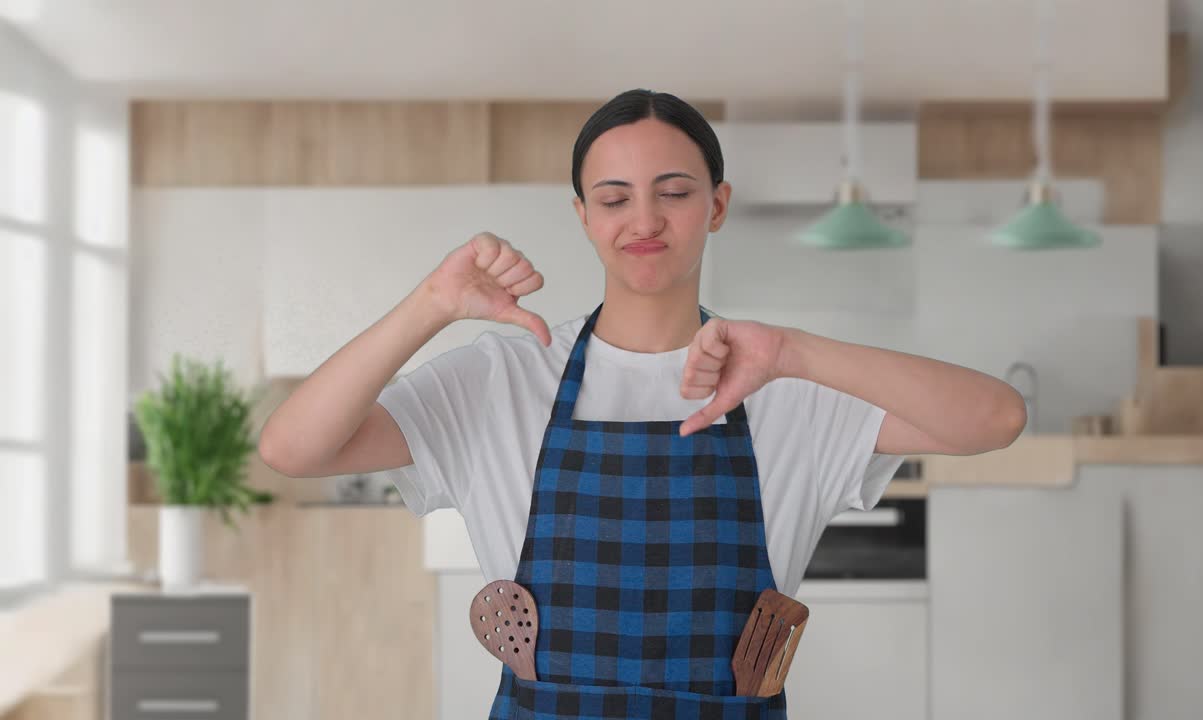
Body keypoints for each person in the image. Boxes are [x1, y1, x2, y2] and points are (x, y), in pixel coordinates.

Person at [260, 88, 1026, 719]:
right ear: (583, 216)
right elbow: (293, 449)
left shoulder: (782, 386)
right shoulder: (503, 377)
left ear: (717, 206)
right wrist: (431, 304)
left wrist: (794, 352)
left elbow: (997, 419)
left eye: (675, 192)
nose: (646, 220)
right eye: (615, 197)